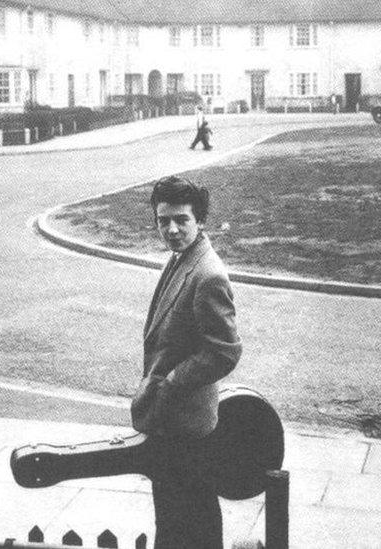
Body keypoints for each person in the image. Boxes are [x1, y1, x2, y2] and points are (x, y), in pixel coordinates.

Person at [131, 176, 242, 549]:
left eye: (182, 219)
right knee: (177, 516)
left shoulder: (208, 274)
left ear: (200, 220)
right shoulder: (183, 258)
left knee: (190, 519)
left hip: (187, 423)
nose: (172, 229)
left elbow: (225, 351)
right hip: (172, 418)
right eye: (164, 221)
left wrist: (175, 380)